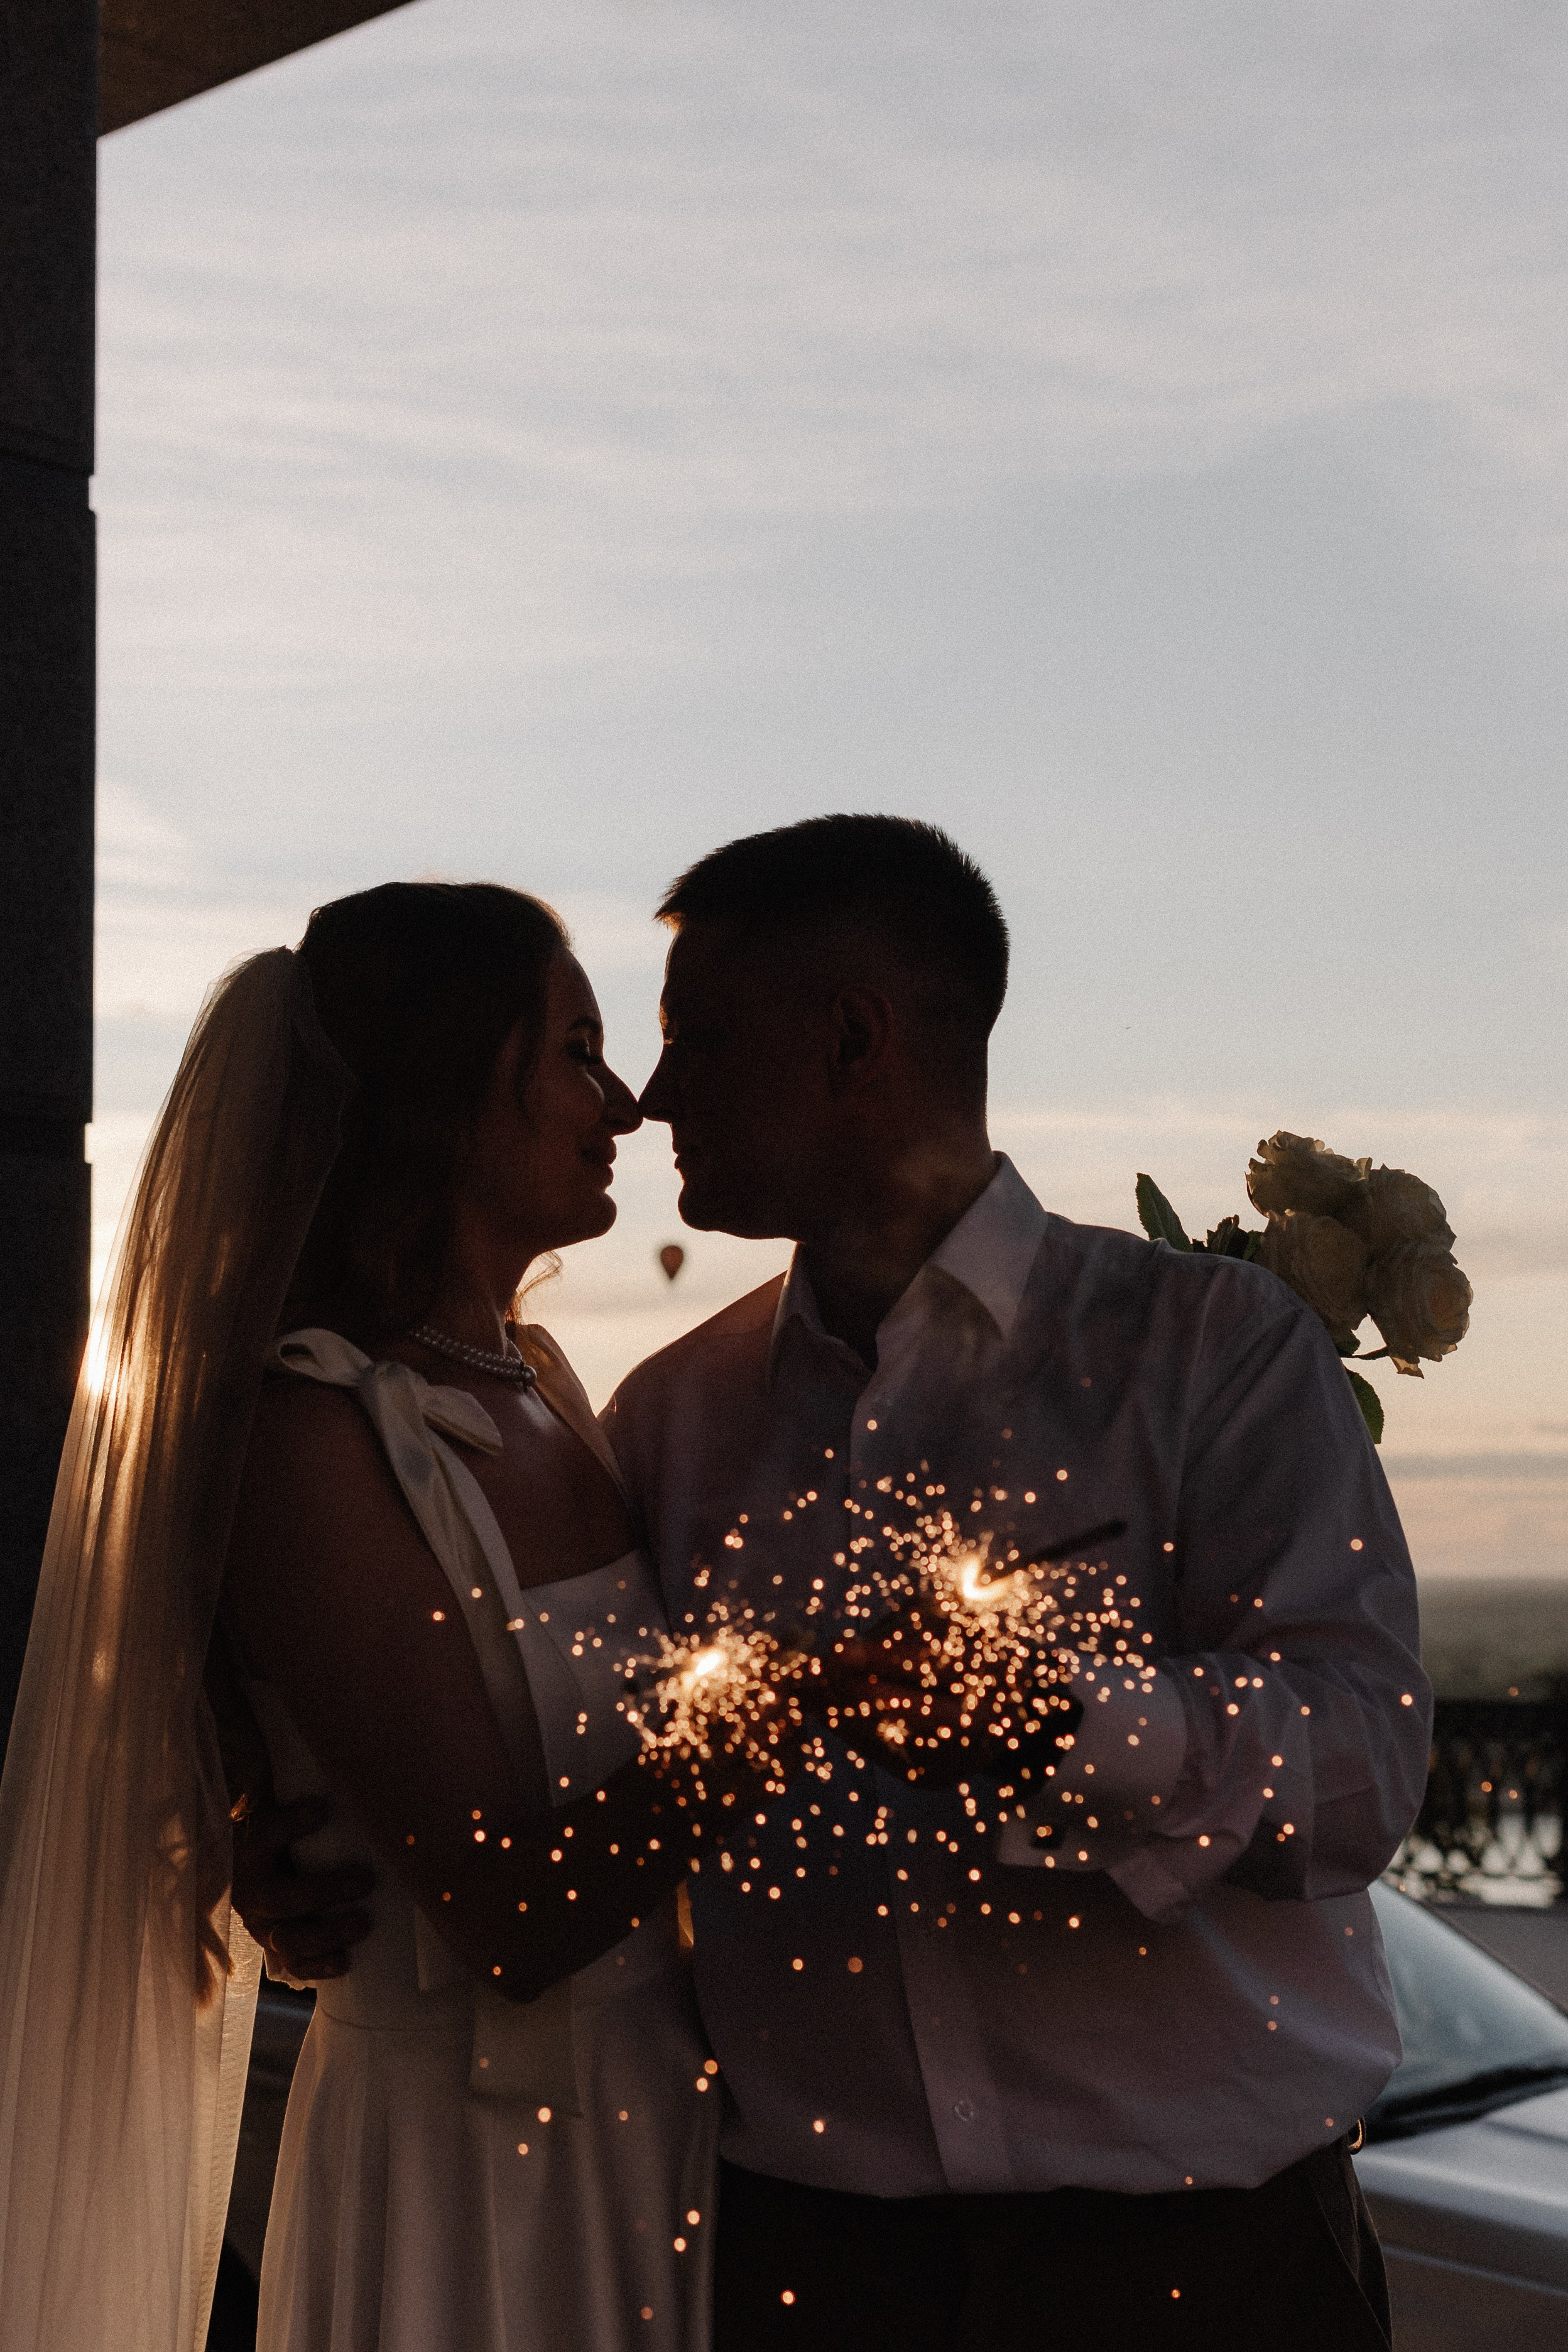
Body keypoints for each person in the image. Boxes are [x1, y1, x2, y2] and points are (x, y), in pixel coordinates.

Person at [251, 818, 1432, 2349]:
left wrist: (1079, 1720)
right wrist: (288, 1836)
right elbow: (525, 1734)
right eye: (607, 1048)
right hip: (800, 2274)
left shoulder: (1206, 1352)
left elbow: (1364, 1768)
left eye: (691, 1037)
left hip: (1198, 2269)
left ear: (854, 1038)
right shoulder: (668, 1418)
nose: (650, 1092)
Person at [0, 881, 749, 2352]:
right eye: (575, 1050)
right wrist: (796, 1703)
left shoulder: (544, 1384)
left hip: (659, 2131)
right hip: (469, 2183)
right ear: (455, 1086)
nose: (622, 1103)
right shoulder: (314, 1430)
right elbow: (513, 1911)